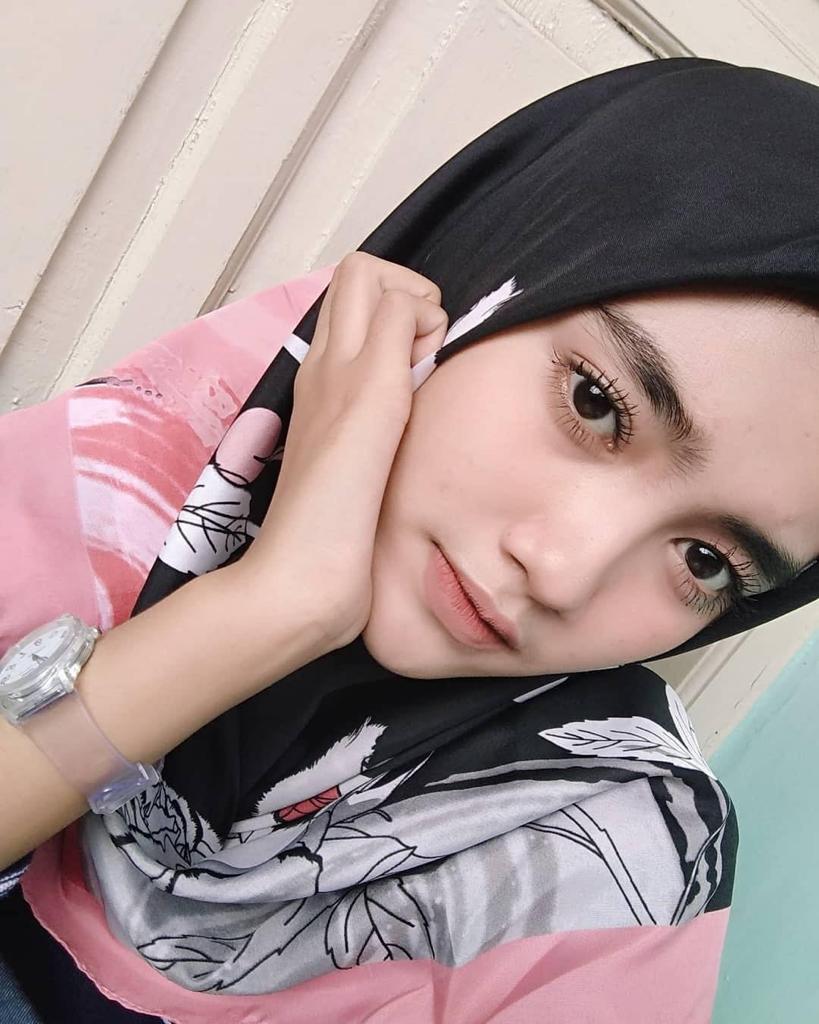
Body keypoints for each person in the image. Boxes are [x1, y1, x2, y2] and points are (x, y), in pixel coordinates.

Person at [1, 56, 818, 1022]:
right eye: (597, 404)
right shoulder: (124, 477)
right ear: (479, 278)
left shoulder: (612, 861)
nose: (561, 572)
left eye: (705, 562)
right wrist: (264, 610)